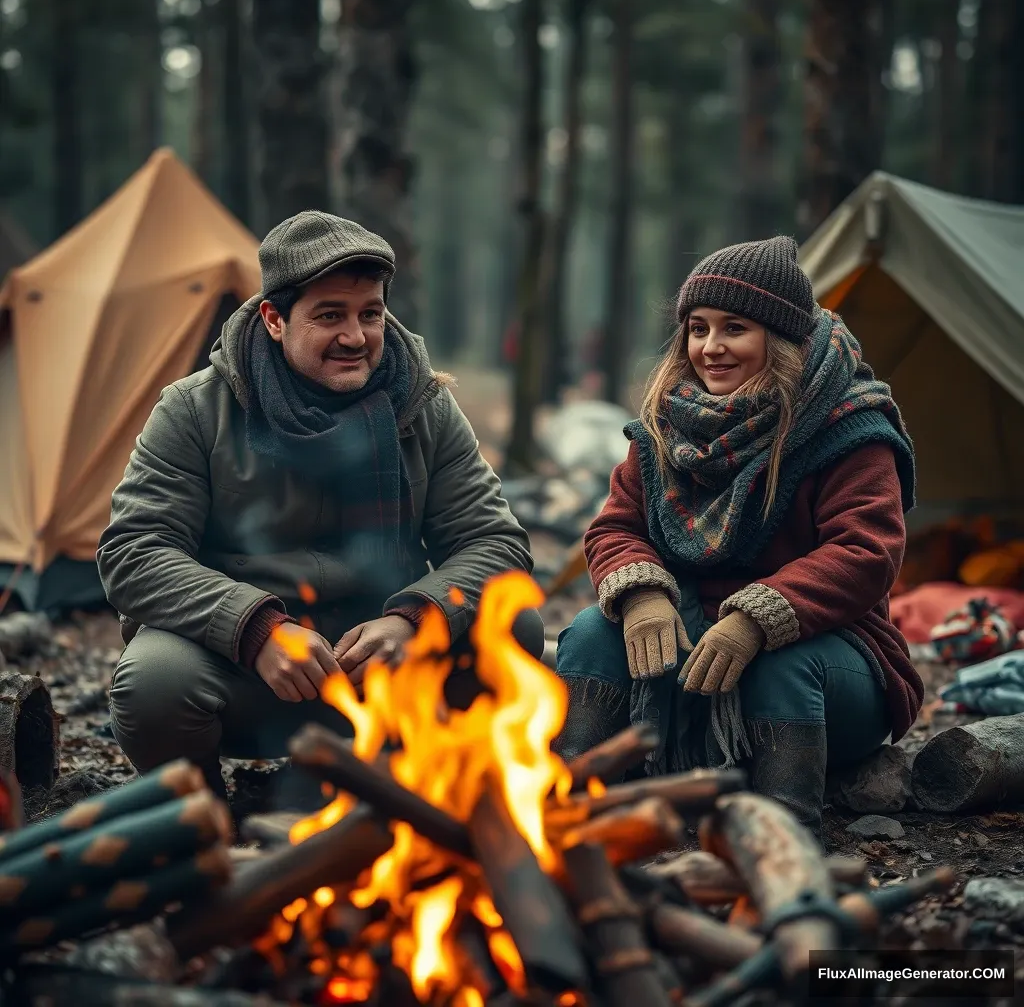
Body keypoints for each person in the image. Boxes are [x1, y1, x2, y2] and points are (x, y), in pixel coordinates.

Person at [98, 211, 543, 799]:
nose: (356, 337)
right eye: (329, 315)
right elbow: (134, 551)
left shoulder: (422, 402)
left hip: (383, 662)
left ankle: (419, 785)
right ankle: (199, 815)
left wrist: (416, 618)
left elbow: (497, 543)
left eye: (371, 314)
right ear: (274, 320)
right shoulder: (195, 409)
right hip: (248, 668)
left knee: (516, 626)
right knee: (153, 680)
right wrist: (255, 628)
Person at [553, 236, 921, 844]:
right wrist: (642, 592)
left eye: (734, 329)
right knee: (594, 632)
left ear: (778, 339)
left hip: (831, 665)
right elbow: (616, 526)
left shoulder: (850, 428)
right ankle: (575, 814)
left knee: (782, 664)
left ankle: (782, 843)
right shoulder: (665, 427)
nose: (710, 348)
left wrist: (757, 618)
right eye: (697, 328)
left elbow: (866, 552)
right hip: (695, 650)